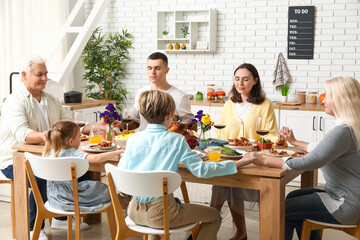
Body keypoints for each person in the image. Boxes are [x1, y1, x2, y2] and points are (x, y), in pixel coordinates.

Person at [118, 90, 248, 240]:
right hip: (161, 215)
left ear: (142, 114)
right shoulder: (176, 140)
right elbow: (202, 171)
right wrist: (237, 164)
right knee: (214, 217)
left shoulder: (133, 139)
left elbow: (122, 173)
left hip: (134, 211)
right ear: (169, 115)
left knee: (157, 222)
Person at [241, 76, 360, 240]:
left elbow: (311, 161)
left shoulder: (343, 131)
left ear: (340, 99)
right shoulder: (348, 127)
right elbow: (321, 149)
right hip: (345, 195)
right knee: (291, 197)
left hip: (344, 203)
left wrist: (263, 160)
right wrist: (293, 141)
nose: (322, 98)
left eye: (327, 94)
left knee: (283, 209)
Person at [0, 55, 97, 239]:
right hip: (14, 161)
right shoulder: (14, 101)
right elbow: (24, 135)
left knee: (83, 170)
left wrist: (92, 127)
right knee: (44, 176)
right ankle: (32, 227)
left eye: (46, 74)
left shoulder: (51, 99)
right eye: (39, 74)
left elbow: (70, 124)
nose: (45, 78)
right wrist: (48, 136)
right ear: (24, 75)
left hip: (47, 157)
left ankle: (61, 217)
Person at [210, 63, 284, 240]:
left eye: (245, 79)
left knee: (228, 185)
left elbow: (271, 134)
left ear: (255, 81)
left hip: (255, 158)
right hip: (232, 156)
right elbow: (220, 133)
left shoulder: (264, 104)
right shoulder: (229, 104)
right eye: (237, 79)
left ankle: (213, 229)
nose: (240, 83)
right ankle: (221, 230)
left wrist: (278, 140)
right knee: (221, 183)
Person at [43, 121, 123, 213]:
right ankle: (124, 205)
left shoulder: (49, 152)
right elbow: (97, 159)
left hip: (54, 199)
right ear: (71, 141)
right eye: (79, 137)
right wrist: (119, 151)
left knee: (92, 185)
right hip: (72, 200)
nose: (80, 141)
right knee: (106, 188)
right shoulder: (72, 153)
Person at [116, 52, 194, 131]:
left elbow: (191, 125)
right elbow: (136, 122)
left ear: (167, 70)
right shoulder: (142, 93)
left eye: (157, 68)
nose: (152, 72)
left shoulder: (179, 97)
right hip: (144, 142)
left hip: (168, 142)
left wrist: (179, 128)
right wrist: (121, 125)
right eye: (149, 68)